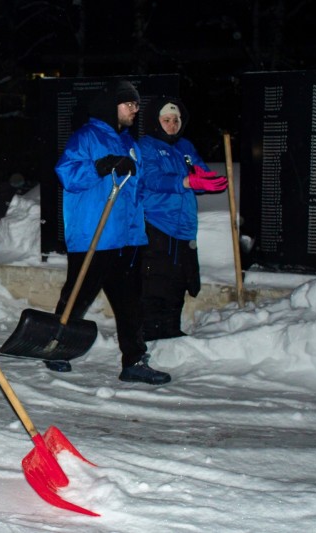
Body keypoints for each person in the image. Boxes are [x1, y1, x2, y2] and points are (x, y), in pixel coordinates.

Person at [49, 80, 171, 385]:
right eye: (129, 104)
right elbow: (67, 174)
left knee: (131, 304)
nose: (135, 110)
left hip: (127, 238)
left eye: (136, 105)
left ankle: (133, 360)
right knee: (77, 297)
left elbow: (139, 189)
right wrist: (98, 167)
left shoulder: (130, 144)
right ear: (111, 106)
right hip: (94, 235)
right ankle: (55, 347)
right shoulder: (86, 137)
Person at [137, 96, 228, 341]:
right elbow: (152, 179)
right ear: (156, 122)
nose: (172, 124)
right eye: (166, 119)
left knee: (178, 281)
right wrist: (186, 181)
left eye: (176, 119)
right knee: (156, 281)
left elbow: (198, 175)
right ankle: (150, 333)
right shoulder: (147, 146)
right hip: (157, 223)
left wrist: (204, 180)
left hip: (184, 227)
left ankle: (170, 330)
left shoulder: (185, 146)